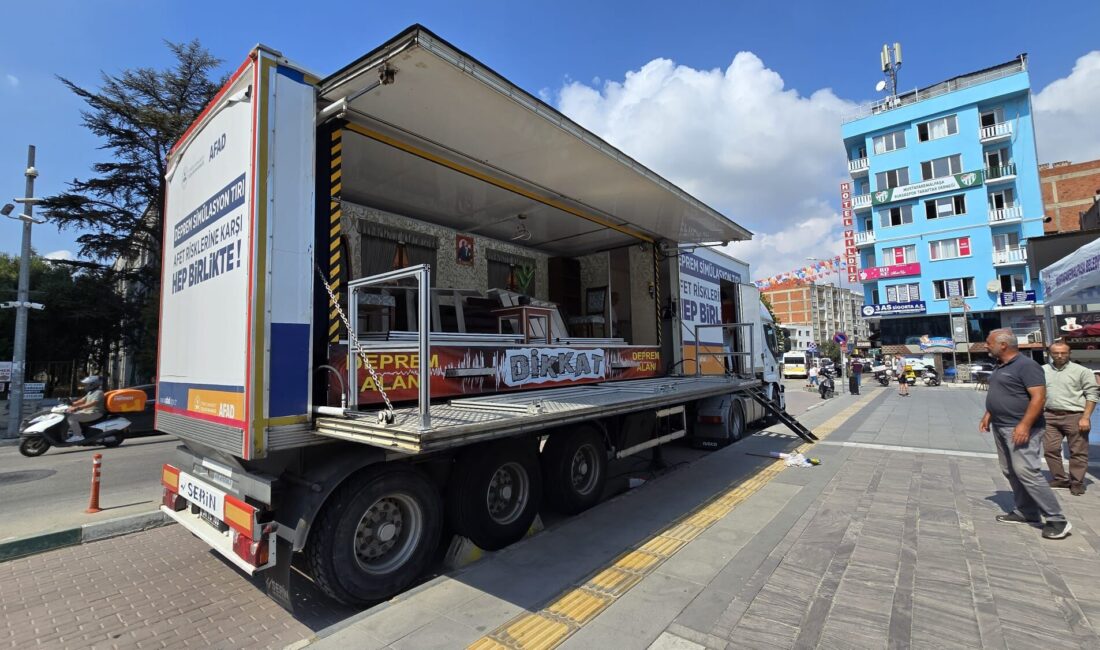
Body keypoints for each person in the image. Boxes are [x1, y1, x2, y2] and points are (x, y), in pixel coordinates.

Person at [980, 329, 1071, 539]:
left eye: (988, 342)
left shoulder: (1027, 366)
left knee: (1026, 471)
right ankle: (1026, 511)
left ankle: (1057, 518)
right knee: (1010, 470)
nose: (986, 345)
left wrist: (1024, 425)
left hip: (1020, 428)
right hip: (1001, 425)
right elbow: (1001, 393)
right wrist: (989, 414)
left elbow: (1039, 398)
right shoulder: (1000, 365)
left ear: (1003, 345)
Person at [1042, 341, 1099, 496]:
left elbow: (1092, 395)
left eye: (1063, 353)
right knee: (1050, 449)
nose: (1060, 356)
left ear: (1069, 353)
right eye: (1056, 353)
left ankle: (1077, 482)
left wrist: (1086, 417)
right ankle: (1060, 478)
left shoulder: (1082, 371)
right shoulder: (1043, 370)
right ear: (1050, 354)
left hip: (1075, 416)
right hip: (1050, 416)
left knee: (1078, 451)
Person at [66, 375, 105, 442]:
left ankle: (78, 435)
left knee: (72, 418)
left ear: (93, 384)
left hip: (95, 413)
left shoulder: (99, 392)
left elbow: (92, 403)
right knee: (68, 414)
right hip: (87, 412)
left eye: (87, 384)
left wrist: (77, 408)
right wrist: (71, 404)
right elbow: (82, 401)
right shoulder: (90, 392)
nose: (86, 386)